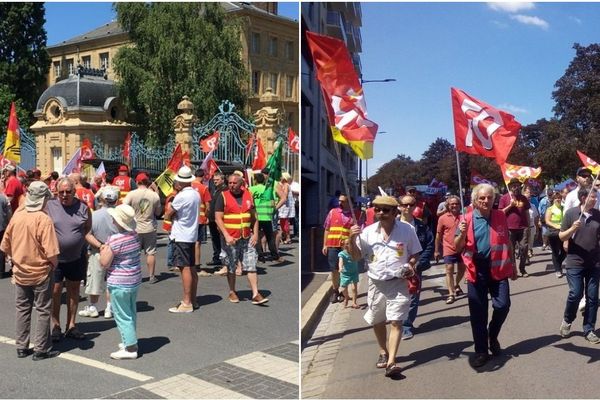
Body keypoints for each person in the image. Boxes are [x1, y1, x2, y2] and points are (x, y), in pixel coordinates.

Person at [347, 195, 421, 378]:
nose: (380, 213)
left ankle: (391, 362)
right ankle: (383, 351)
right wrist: (351, 238)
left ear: (395, 212)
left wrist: (411, 265)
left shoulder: (407, 230)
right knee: (377, 320)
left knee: (396, 321)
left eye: (385, 210)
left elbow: (415, 253)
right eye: (378, 209)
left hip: (398, 284)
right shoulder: (367, 232)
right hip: (376, 283)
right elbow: (356, 256)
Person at [455, 183, 518, 368]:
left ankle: (492, 335)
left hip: (498, 269)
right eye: (482, 198)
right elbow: (457, 246)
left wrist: (513, 265)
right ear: (475, 200)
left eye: (489, 197)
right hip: (477, 271)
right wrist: (462, 233)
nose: (486, 201)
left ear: (494, 199)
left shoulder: (500, 216)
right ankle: (481, 351)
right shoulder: (465, 219)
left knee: (503, 305)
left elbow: (507, 242)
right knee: (478, 314)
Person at [0, 181, 60, 360]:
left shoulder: (18, 215)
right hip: (41, 271)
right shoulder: (43, 219)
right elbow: (51, 252)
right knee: (43, 309)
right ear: (43, 199)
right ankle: (41, 349)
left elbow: (5, 245)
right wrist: (53, 264)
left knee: (23, 309)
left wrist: (14, 258)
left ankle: (21, 345)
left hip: (20, 271)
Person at [47, 177, 92, 342]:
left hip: (76, 257)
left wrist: (99, 246)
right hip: (55, 258)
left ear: (74, 192)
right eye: (61, 192)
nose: (64, 195)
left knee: (73, 291)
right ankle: (56, 325)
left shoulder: (83, 208)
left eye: (68, 192)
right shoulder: (50, 206)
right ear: (57, 192)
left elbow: (87, 229)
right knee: (55, 291)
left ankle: (71, 325)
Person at [215, 173, 269, 305]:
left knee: (251, 265)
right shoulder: (223, 196)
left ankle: (255, 293)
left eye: (234, 183)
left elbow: (254, 217)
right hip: (231, 238)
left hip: (247, 237)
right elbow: (218, 218)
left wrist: (255, 234)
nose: (231, 185)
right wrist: (226, 235)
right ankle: (232, 291)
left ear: (241, 184)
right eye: (230, 183)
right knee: (231, 266)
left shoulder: (249, 195)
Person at [558, 188, 600, 344]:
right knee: (575, 293)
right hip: (575, 262)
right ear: (583, 198)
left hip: (594, 263)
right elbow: (561, 236)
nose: (595, 199)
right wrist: (571, 229)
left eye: (596, 197)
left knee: (593, 298)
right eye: (593, 197)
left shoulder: (598, 215)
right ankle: (567, 320)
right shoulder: (571, 214)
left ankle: (589, 329)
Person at [100, 204, 142, 359]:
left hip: (119, 280)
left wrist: (104, 250)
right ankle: (129, 341)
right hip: (133, 278)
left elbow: (104, 262)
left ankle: (130, 348)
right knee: (130, 311)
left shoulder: (114, 239)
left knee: (122, 315)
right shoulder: (134, 235)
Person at [79, 187, 120, 319]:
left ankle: (93, 307)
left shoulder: (94, 215)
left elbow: (88, 234)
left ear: (102, 199)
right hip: (117, 251)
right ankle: (110, 307)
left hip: (99, 250)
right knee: (112, 281)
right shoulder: (120, 214)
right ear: (116, 200)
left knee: (95, 279)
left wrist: (100, 246)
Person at [164, 166, 200, 313]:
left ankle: (186, 302)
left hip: (181, 235)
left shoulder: (181, 196)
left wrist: (169, 207)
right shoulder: (195, 194)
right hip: (191, 233)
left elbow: (168, 214)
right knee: (190, 267)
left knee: (184, 267)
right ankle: (193, 299)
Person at [399, 195, 434, 340]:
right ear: (399, 207)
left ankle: (406, 325)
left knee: (413, 298)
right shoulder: (391, 225)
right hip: (395, 269)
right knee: (396, 299)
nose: (408, 208)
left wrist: (419, 264)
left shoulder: (421, 226)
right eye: (405, 205)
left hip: (414, 269)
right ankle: (396, 322)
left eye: (411, 205)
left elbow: (429, 245)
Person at [123, 172, 161, 284]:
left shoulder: (131, 194)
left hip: (135, 227)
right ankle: (151, 276)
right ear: (148, 182)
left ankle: (135, 275)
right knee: (150, 252)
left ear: (137, 182)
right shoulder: (154, 195)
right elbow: (158, 212)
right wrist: (156, 192)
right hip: (149, 226)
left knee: (134, 253)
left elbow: (124, 207)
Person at [322, 194, 354, 303]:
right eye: (339, 201)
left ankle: (344, 291)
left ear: (348, 203)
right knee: (334, 270)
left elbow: (355, 233)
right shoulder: (333, 212)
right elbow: (327, 229)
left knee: (346, 270)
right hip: (333, 245)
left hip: (346, 247)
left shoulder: (352, 215)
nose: (340, 203)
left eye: (343, 201)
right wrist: (325, 245)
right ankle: (335, 291)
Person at [435, 195, 467, 304]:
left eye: (456, 203)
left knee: (462, 269)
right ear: (448, 205)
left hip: (462, 247)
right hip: (448, 247)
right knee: (449, 269)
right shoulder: (442, 218)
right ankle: (451, 294)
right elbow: (438, 235)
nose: (454, 205)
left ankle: (456, 284)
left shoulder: (464, 217)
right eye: (452, 204)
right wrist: (436, 250)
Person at [498, 178, 530, 277]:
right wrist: (510, 206)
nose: (516, 187)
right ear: (510, 186)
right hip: (509, 228)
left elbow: (527, 212)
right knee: (510, 251)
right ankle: (513, 270)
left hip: (523, 227)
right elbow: (500, 212)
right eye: (514, 185)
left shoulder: (523, 198)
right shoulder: (504, 198)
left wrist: (529, 225)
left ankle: (522, 268)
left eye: (517, 185)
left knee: (524, 248)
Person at [249, 172, 281, 263]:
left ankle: (260, 256)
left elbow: (249, 203)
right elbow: (273, 202)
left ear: (255, 180)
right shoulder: (268, 190)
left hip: (256, 217)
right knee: (270, 237)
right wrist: (272, 210)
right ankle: (275, 256)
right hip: (266, 216)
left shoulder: (250, 189)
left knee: (257, 236)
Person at [191, 169, 211, 275]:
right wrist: (207, 216)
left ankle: (189, 263)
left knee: (189, 241)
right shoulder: (204, 188)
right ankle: (197, 266)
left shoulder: (188, 186)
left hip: (189, 219)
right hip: (200, 219)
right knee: (197, 243)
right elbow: (208, 206)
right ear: (203, 177)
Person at [207, 172, 227, 274]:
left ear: (223, 180)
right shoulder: (214, 189)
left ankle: (222, 260)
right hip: (212, 219)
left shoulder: (225, 190)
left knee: (221, 240)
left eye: (217, 180)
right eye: (214, 180)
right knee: (214, 239)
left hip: (219, 219)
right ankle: (216, 258)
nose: (215, 181)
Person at [545, 192, 566, 278]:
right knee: (555, 251)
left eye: (560, 198)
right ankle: (558, 269)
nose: (558, 199)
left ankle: (558, 263)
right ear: (553, 200)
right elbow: (547, 221)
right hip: (553, 232)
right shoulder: (550, 209)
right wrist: (556, 226)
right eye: (556, 198)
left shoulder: (564, 208)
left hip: (563, 231)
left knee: (564, 250)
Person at [338, 239, 359, 309]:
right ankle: (346, 298)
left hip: (354, 273)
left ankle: (354, 302)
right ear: (343, 245)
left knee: (354, 288)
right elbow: (340, 262)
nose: (347, 245)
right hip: (345, 274)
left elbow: (359, 256)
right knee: (343, 289)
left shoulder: (355, 252)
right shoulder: (342, 254)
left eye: (349, 244)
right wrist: (340, 268)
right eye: (346, 244)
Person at [522, 184, 540, 264]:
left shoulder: (533, 206)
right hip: (523, 228)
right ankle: (525, 258)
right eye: (527, 196)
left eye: (529, 197)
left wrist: (537, 229)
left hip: (532, 227)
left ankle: (528, 254)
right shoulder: (520, 206)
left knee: (530, 244)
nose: (528, 198)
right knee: (524, 245)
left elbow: (536, 217)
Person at [277, 172, 295, 244]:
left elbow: (285, 195)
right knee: (284, 222)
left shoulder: (286, 185)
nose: (280, 178)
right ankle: (286, 237)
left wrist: (280, 192)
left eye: (281, 177)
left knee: (284, 222)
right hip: (285, 205)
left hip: (285, 206)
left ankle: (287, 237)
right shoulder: (286, 185)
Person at [0, 191, 12, 278]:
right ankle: (1, 271)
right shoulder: (3, 198)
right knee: (1, 250)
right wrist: (9, 223)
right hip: (2, 226)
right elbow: (9, 212)